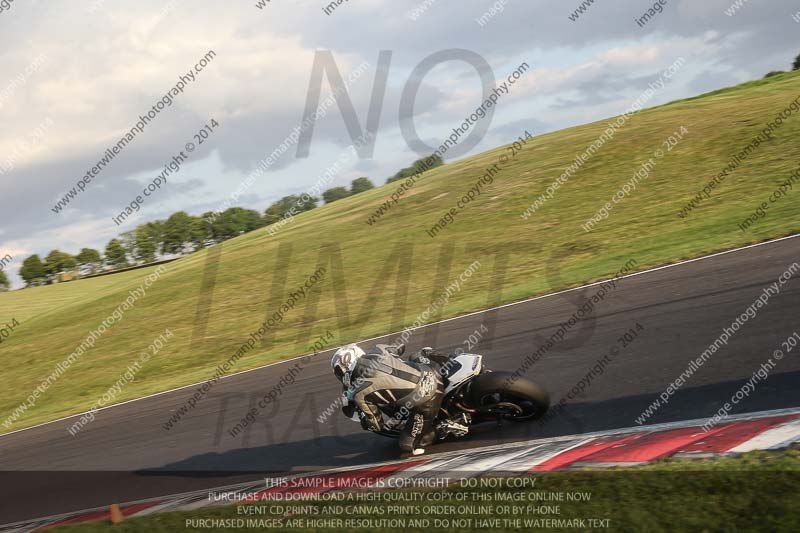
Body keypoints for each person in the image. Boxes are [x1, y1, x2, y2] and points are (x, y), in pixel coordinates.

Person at [331, 342, 457, 455]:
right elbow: (400, 347)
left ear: (343, 371)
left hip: (428, 398)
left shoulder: (360, 394)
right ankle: (452, 362)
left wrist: (366, 421)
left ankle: (442, 427)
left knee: (407, 444)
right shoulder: (379, 349)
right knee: (417, 355)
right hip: (431, 371)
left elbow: (376, 424)